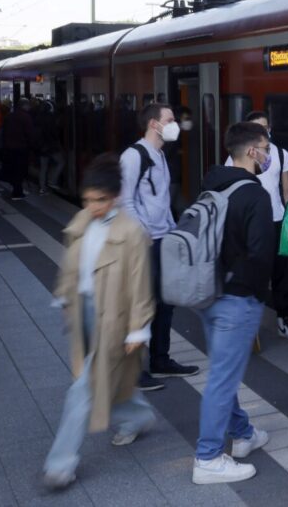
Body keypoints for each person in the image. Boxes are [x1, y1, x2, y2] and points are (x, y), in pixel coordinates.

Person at [43, 154, 156, 489]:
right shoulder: (81, 222)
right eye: (88, 200)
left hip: (116, 318)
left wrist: (139, 326)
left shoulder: (131, 232)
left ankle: (60, 465)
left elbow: (140, 284)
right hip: (85, 312)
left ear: (116, 196)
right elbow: (71, 266)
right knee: (109, 379)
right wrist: (65, 295)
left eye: (101, 200)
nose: (93, 206)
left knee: (84, 388)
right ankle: (137, 415)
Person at [192, 121, 276, 484]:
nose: (268, 154)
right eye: (266, 147)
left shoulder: (212, 186)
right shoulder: (255, 196)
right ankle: (207, 457)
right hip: (237, 300)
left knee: (223, 374)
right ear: (253, 151)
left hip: (208, 293)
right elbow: (261, 256)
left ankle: (243, 435)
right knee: (222, 381)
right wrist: (256, 292)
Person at [119, 103, 198, 391]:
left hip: (164, 238)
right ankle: (135, 371)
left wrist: (172, 230)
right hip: (145, 242)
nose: (175, 123)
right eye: (170, 119)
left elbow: (161, 200)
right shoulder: (133, 156)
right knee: (142, 305)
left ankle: (160, 359)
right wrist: (144, 234)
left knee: (165, 302)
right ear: (154, 124)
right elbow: (125, 201)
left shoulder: (160, 155)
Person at [224, 110, 288, 326]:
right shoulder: (235, 161)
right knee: (257, 267)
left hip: (277, 219)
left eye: (265, 127)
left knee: (281, 272)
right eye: (258, 128)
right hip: (251, 221)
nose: (264, 131)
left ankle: (282, 317)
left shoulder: (281, 154)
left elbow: (287, 189)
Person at [2, 97, 35, 199]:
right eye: (28, 105)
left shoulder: (9, 116)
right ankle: (17, 192)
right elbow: (30, 134)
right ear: (24, 106)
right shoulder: (26, 117)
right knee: (20, 169)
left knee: (13, 168)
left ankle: (16, 188)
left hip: (9, 147)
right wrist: (33, 146)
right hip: (21, 148)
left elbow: (4, 131)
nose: (29, 107)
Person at [34, 100, 65, 194]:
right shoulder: (51, 118)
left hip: (41, 147)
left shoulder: (37, 118)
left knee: (43, 168)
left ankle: (42, 188)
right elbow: (54, 133)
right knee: (61, 162)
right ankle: (52, 180)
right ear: (51, 108)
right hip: (51, 146)